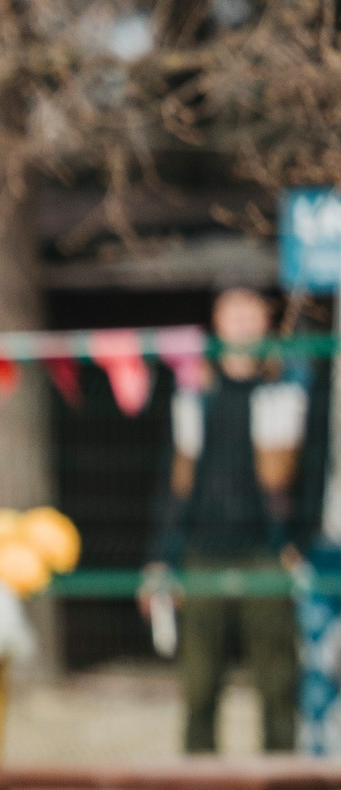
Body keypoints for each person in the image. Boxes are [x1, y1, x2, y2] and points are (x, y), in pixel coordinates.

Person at [145, 287, 322, 754]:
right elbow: (171, 479)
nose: (242, 323)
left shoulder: (293, 387)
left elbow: (315, 470)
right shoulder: (192, 391)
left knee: (279, 684)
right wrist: (162, 557)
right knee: (200, 686)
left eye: (251, 312)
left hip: (269, 554)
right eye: (232, 312)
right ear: (217, 322)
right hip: (202, 551)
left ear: (266, 321)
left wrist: (299, 541)